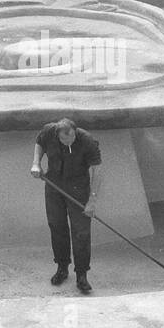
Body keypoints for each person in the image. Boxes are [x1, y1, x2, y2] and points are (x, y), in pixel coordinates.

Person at [31, 117, 102, 294]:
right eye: (64, 140)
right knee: (57, 226)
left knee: (81, 232)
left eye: (71, 139)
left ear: (75, 132)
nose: (68, 142)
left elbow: (97, 170)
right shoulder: (49, 131)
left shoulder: (87, 140)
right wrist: (36, 163)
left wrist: (92, 200)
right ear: (58, 135)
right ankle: (62, 268)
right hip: (54, 185)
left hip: (78, 188)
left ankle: (82, 275)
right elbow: (39, 143)